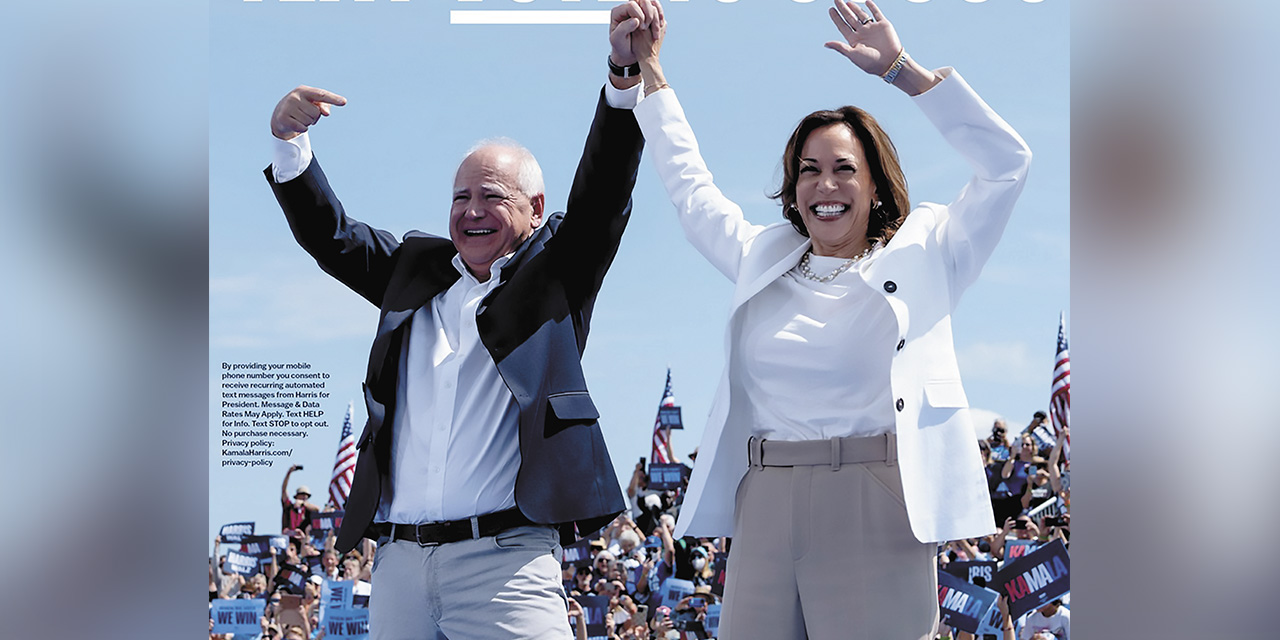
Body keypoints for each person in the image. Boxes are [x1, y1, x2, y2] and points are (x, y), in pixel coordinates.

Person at [628, 0, 1031, 637]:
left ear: (876, 185)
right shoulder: (762, 257)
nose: (825, 185)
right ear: (792, 190)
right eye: (808, 171)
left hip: (876, 499)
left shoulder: (931, 250)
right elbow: (690, 188)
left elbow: (1008, 164)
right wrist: (648, 68)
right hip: (763, 501)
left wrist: (903, 71)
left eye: (845, 169)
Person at [261, 3, 660, 637]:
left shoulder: (557, 274)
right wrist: (290, 145)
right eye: (460, 197)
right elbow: (333, 239)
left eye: (492, 196)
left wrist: (622, 74)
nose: (471, 211)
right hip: (397, 567)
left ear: (535, 208)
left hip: (506, 567)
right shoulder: (413, 273)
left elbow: (603, 191)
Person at [281, 465, 319, 536]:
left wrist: (303, 504)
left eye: (306, 495)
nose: (304, 497)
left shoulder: (308, 510)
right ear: (297, 496)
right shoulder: (289, 506)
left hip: (302, 541)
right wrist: (288, 473)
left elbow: (317, 509)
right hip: (288, 539)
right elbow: (284, 490)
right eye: (302, 494)